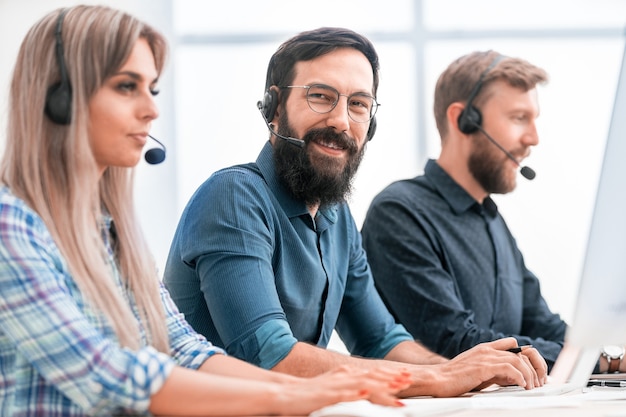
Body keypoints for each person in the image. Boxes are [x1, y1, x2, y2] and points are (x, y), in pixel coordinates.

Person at [0, 7, 414, 416]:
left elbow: (182, 348)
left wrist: (316, 388)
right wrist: (290, 395)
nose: (151, 110)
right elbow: (103, 373)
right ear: (59, 98)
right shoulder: (9, 224)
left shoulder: (110, 233)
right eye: (127, 86)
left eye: (152, 89)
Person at [163, 28, 548, 398]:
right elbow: (270, 356)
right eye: (320, 96)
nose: (341, 121)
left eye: (358, 104)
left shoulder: (338, 218)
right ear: (274, 108)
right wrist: (439, 376)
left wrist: (467, 373)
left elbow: (380, 340)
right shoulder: (233, 197)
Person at [361, 50, 569, 372]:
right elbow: (458, 343)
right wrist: (596, 359)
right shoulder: (400, 213)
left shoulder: (493, 220)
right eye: (518, 118)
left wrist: (607, 352)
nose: (533, 138)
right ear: (463, 120)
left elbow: (542, 324)